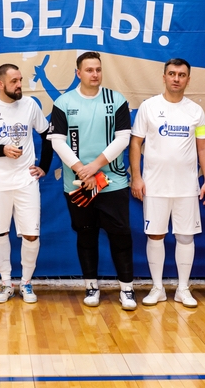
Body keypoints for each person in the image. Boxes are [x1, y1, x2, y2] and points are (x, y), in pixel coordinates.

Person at [48, 52, 137, 310]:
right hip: (78, 185)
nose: (94, 74)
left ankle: (127, 289)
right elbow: (57, 141)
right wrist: (80, 170)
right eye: (89, 70)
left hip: (113, 182)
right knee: (86, 234)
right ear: (78, 73)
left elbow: (123, 138)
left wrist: (94, 167)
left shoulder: (116, 100)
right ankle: (91, 286)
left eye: (98, 69)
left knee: (120, 235)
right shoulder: (64, 102)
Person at [129, 58, 205, 309]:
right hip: (154, 186)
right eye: (172, 74)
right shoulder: (149, 107)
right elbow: (136, 143)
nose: (176, 78)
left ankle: (183, 289)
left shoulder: (196, 111)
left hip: (186, 187)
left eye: (182, 75)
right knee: (155, 235)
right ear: (164, 76)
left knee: (185, 237)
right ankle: (157, 288)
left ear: (188, 79)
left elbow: (203, 147)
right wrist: (137, 177)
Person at [0, 63, 52, 304]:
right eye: (14, 81)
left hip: (26, 180)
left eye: (20, 80)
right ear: (0, 84)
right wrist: (2, 150)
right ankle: (6, 283)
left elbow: (47, 135)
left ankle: (26, 282)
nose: (19, 85)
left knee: (31, 234)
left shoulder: (30, 105)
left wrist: (44, 167)